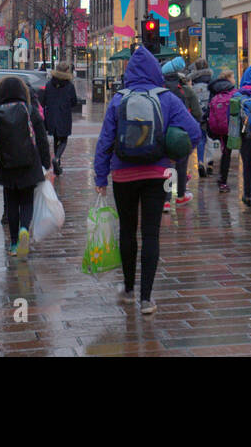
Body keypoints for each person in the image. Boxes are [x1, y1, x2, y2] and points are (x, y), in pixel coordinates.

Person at [94, 45, 202, 315]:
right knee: (151, 233)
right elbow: (195, 132)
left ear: (129, 72)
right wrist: (172, 151)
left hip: (122, 174)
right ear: (156, 70)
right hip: (159, 175)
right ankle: (146, 299)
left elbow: (105, 141)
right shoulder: (167, 98)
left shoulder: (118, 99)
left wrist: (100, 176)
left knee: (128, 231)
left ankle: (129, 289)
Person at [0, 74, 52, 257]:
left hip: (6, 163)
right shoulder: (30, 110)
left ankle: (15, 243)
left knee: (11, 203)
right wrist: (46, 163)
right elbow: (41, 138)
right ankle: (25, 229)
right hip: (29, 162)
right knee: (26, 200)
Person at [161, 56, 202, 211]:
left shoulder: (160, 88)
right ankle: (180, 195)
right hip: (181, 132)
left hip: (164, 131)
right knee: (181, 163)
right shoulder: (186, 90)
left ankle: (165, 201)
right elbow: (197, 113)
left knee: (167, 166)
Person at [224, 64, 251, 212]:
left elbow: (231, 118)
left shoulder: (237, 96)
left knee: (246, 164)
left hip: (244, 135)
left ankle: (247, 195)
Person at [42, 61, 78, 177]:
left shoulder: (49, 84)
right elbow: (74, 102)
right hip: (64, 115)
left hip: (51, 115)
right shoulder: (69, 86)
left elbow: (44, 101)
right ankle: (57, 159)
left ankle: (57, 167)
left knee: (56, 138)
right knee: (63, 139)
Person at [206, 69, 236, 192]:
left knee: (225, 152)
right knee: (227, 153)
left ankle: (222, 178)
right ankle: (223, 180)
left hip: (218, 126)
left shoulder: (214, 89)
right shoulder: (232, 91)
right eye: (233, 77)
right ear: (229, 78)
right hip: (230, 125)